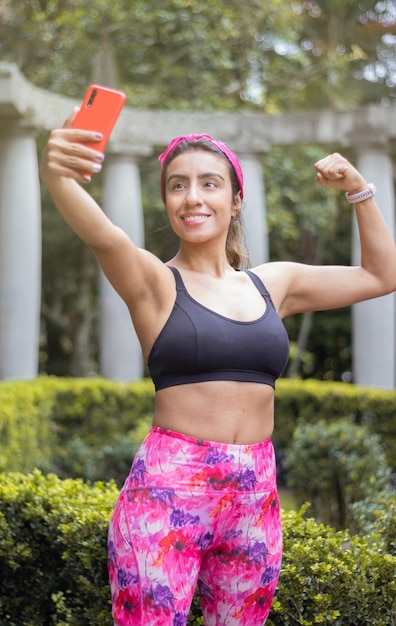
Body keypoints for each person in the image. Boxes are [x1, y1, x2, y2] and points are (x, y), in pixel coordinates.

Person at [40, 110, 396, 626]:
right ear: (166, 201)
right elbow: (104, 235)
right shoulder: (155, 283)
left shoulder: (272, 283)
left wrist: (360, 189)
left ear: (235, 201)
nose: (193, 198)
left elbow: (380, 274)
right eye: (178, 185)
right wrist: (56, 175)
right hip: (168, 489)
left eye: (210, 183)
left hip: (256, 492)